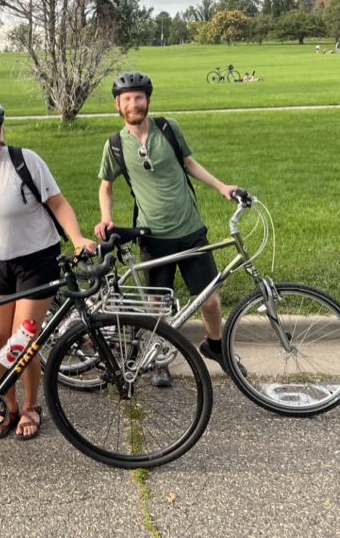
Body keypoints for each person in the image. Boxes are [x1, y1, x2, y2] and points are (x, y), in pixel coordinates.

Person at [0, 98, 96, 440]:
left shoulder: (24, 160)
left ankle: (31, 405)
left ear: (0, 130)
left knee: (22, 338)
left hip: (37, 258)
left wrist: (76, 237)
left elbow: (57, 203)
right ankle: (7, 404)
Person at [94, 71, 239, 387]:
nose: (134, 104)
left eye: (139, 97)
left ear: (147, 100)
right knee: (157, 308)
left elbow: (189, 163)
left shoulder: (168, 128)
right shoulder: (115, 145)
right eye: (127, 99)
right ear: (118, 105)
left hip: (189, 230)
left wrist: (220, 186)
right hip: (153, 237)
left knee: (210, 300)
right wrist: (107, 217)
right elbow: (106, 186)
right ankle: (158, 360)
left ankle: (215, 345)